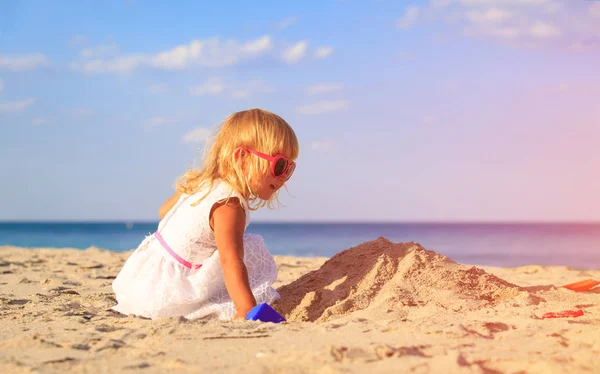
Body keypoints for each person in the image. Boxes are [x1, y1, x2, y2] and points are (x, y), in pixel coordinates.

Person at [112, 108, 298, 320]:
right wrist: (245, 308)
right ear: (242, 157)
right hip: (169, 296)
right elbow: (230, 260)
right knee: (251, 249)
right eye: (280, 165)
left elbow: (164, 212)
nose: (284, 177)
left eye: (290, 168)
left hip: (142, 280)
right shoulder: (230, 205)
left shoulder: (204, 184)